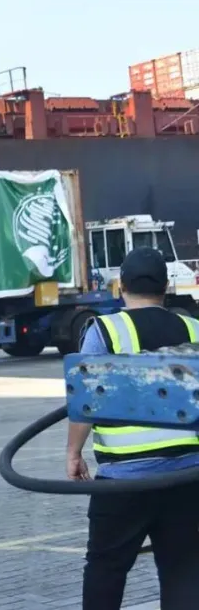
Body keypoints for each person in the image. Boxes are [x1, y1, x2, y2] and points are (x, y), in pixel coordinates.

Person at [65, 246, 199, 610]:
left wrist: (74, 452)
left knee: (106, 568)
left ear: (121, 285)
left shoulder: (104, 330)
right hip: (186, 477)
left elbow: (85, 400)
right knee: (184, 570)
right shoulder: (194, 328)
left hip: (124, 480)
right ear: (166, 286)